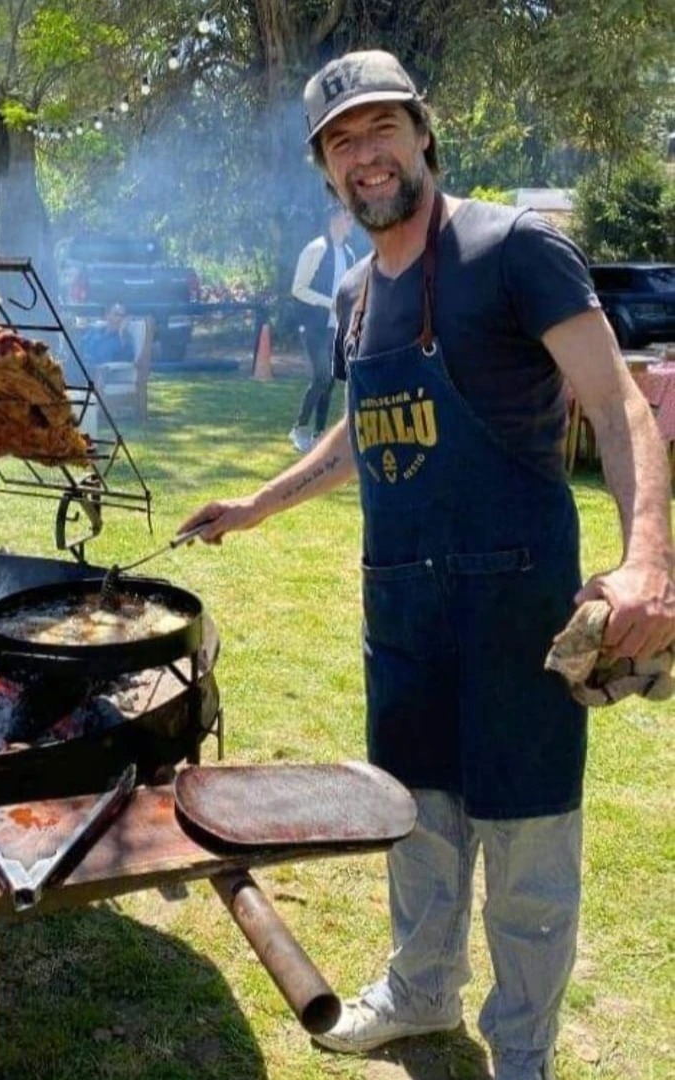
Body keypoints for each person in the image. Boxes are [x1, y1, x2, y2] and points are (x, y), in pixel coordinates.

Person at [180, 48, 674, 1080]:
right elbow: (365, 430)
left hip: (517, 609)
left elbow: (618, 403)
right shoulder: (356, 295)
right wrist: (258, 506)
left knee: (528, 845)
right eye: (341, 141)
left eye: (381, 129)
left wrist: (648, 564)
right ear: (325, 167)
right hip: (401, 611)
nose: (365, 155)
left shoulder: (514, 249)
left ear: (422, 132)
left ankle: (523, 1051)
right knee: (414, 820)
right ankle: (420, 994)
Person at [289, 204, 355, 452]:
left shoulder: (349, 254)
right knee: (322, 376)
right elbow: (298, 288)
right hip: (313, 326)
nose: (351, 223)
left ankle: (318, 434)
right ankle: (299, 429)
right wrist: (329, 303)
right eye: (347, 218)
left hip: (335, 328)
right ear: (334, 221)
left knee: (329, 382)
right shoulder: (315, 249)